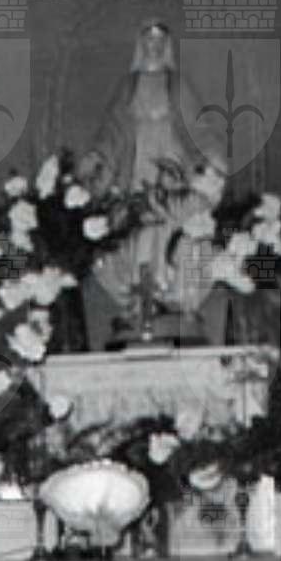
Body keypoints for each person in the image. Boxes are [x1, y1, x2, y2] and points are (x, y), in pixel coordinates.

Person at [88, 21, 220, 341]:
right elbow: (113, 132)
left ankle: (171, 294)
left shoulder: (177, 84)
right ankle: (140, 296)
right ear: (140, 44)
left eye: (160, 41)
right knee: (138, 228)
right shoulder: (129, 85)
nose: (154, 46)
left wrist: (212, 160)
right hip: (136, 168)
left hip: (173, 165)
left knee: (171, 224)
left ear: (168, 46)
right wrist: (97, 161)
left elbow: (198, 127)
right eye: (148, 40)